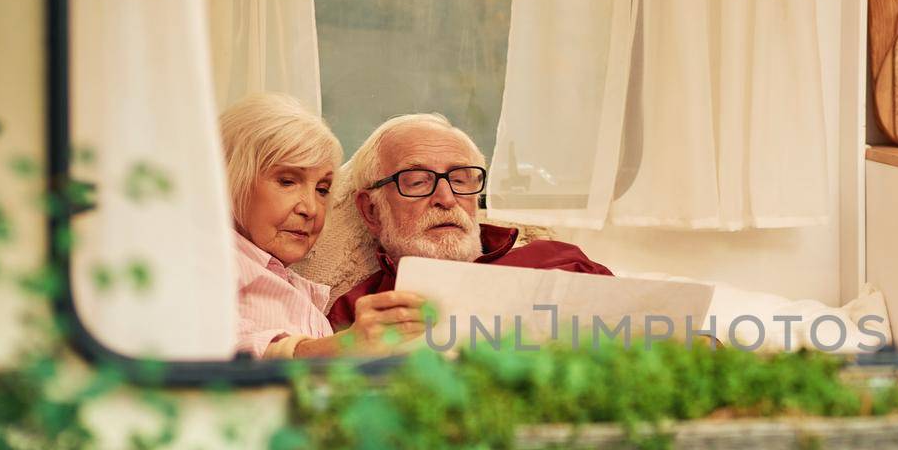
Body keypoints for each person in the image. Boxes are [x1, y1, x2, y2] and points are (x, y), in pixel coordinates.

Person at [328, 113, 612, 330]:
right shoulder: (360, 313)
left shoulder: (561, 262)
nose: (446, 198)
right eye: (416, 182)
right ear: (372, 211)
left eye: (461, 180)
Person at [223, 93, 420, 357]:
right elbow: (216, 350)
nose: (311, 209)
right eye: (287, 181)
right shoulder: (207, 260)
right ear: (230, 176)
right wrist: (340, 347)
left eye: (323, 189)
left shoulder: (300, 290)